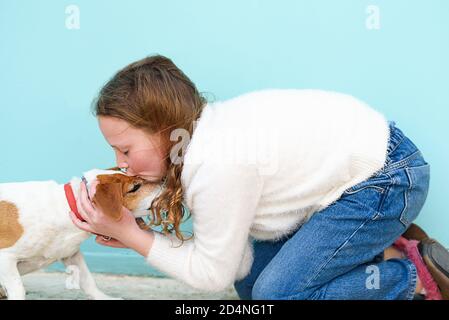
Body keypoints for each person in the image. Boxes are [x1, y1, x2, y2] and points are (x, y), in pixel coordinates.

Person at [70, 54, 449, 300]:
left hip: (386, 179)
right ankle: (380, 249)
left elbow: (210, 275)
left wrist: (133, 235)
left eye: (124, 149)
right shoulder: (202, 138)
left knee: (278, 296)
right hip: (355, 177)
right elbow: (232, 263)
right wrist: (141, 235)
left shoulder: (216, 164)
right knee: (252, 284)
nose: (120, 163)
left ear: (162, 130)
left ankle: (410, 275)